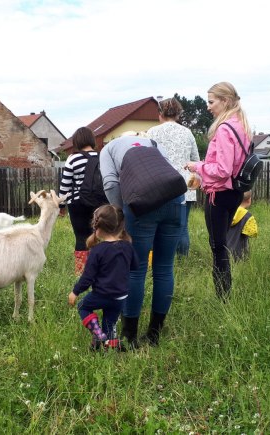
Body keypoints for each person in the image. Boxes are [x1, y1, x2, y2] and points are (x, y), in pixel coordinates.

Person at [100, 133, 185, 347]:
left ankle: (130, 337)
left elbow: (110, 184)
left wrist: (122, 214)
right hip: (176, 201)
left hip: (142, 203)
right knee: (165, 268)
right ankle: (154, 334)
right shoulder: (153, 144)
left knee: (135, 270)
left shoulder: (108, 149)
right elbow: (167, 173)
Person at [186, 81, 252, 300]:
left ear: (225, 101)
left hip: (219, 193)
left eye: (211, 101)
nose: (208, 106)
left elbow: (222, 170)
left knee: (218, 247)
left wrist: (197, 166)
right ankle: (224, 294)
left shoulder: (224, 129)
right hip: (234, 193)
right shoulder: (241, 126)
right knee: (220, 244)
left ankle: (223, 297)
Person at [68, 205, 139, 351]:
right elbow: (135, 266)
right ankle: (110, 347)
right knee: (110, 323)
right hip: (120, 297)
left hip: (102, 294)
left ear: (97, 227)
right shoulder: (127, 247)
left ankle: (98, 335)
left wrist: (75, 292)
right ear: (120, 226)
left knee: (83, 306)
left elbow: (87, 277)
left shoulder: (97, 251)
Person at [147, 97, 200, 256]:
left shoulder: (152, 132)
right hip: (185, 186)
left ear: (160, 113)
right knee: (182, 227)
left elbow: (145, 158)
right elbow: (196, 160)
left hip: (159, 186)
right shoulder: (187, 132)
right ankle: (182, 262)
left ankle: (162, 259)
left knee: (158, 226)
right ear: (178, 114)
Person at [58, 127, 100, 275]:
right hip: (100, 204)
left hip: (78, 203)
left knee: (82, 237)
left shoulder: (73, 158)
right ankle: (99, 269)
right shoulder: (102, 156)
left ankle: (81, 273)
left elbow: (65, 185)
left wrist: (61, 205)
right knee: (98, 236)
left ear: (77, 141)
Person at [226, 190, 258, 261]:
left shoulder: (226, 213)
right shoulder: (248, 217)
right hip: (240, 255)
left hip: (224, 253)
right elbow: (252, 233)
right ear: (249, 200)